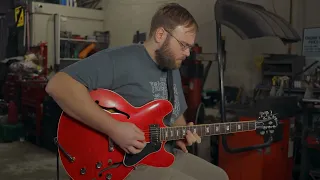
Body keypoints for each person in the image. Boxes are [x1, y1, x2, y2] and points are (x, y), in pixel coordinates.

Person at [46, 3, 229, 180]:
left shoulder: (172, 67)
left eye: (189, 46)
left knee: (219, 176)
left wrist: (182, 133)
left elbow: (175, 117)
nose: (188, 53)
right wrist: (114, 129)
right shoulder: (120, 59)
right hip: (123, 163)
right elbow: (58, 85)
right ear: (160, 34)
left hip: (162, 153)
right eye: (183, 45)